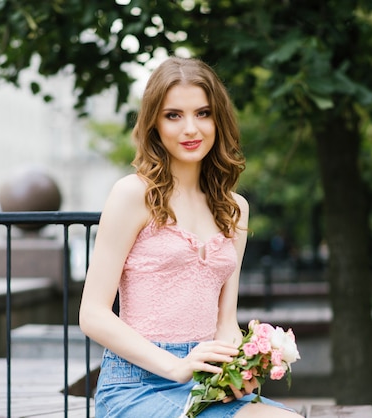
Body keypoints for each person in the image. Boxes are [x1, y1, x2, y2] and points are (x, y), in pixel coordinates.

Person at [79, 56, 302, 418]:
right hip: (136, 385)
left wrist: (241, 369)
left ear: (218, 119)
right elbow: (92, 314)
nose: (190, 129)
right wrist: (174, 366)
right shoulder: (132, 194)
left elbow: (225, 323)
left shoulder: (234, 209)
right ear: (154, 123)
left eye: (202, 113)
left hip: (206, 379)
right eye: (173, 115)